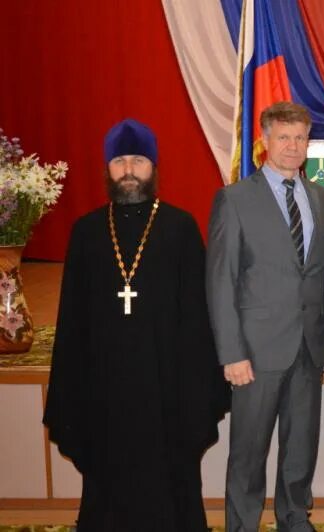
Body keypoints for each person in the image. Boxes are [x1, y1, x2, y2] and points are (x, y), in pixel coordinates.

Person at [42, 118, 229, 531]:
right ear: (108, 168)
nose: (128, 170)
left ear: (154, 168)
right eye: (120, 161)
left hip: (168, 386)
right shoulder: (87, 231)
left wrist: (198, 388)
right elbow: (72, 319)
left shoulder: (180, 228)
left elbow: (198, 317)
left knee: (170, 484)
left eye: (138, 160)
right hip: (103, 386)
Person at [206, 101, 324, 532]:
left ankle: (295, 518)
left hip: (309, 345)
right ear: (264, 141)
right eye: (284, 137)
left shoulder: (321, 199)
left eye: (300, 137)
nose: (293, 146)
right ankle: (242, 525)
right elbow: (221, 281)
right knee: (248, 450)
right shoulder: (235, 199)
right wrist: (232, 353)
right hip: (256, 351)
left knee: (301, 446)